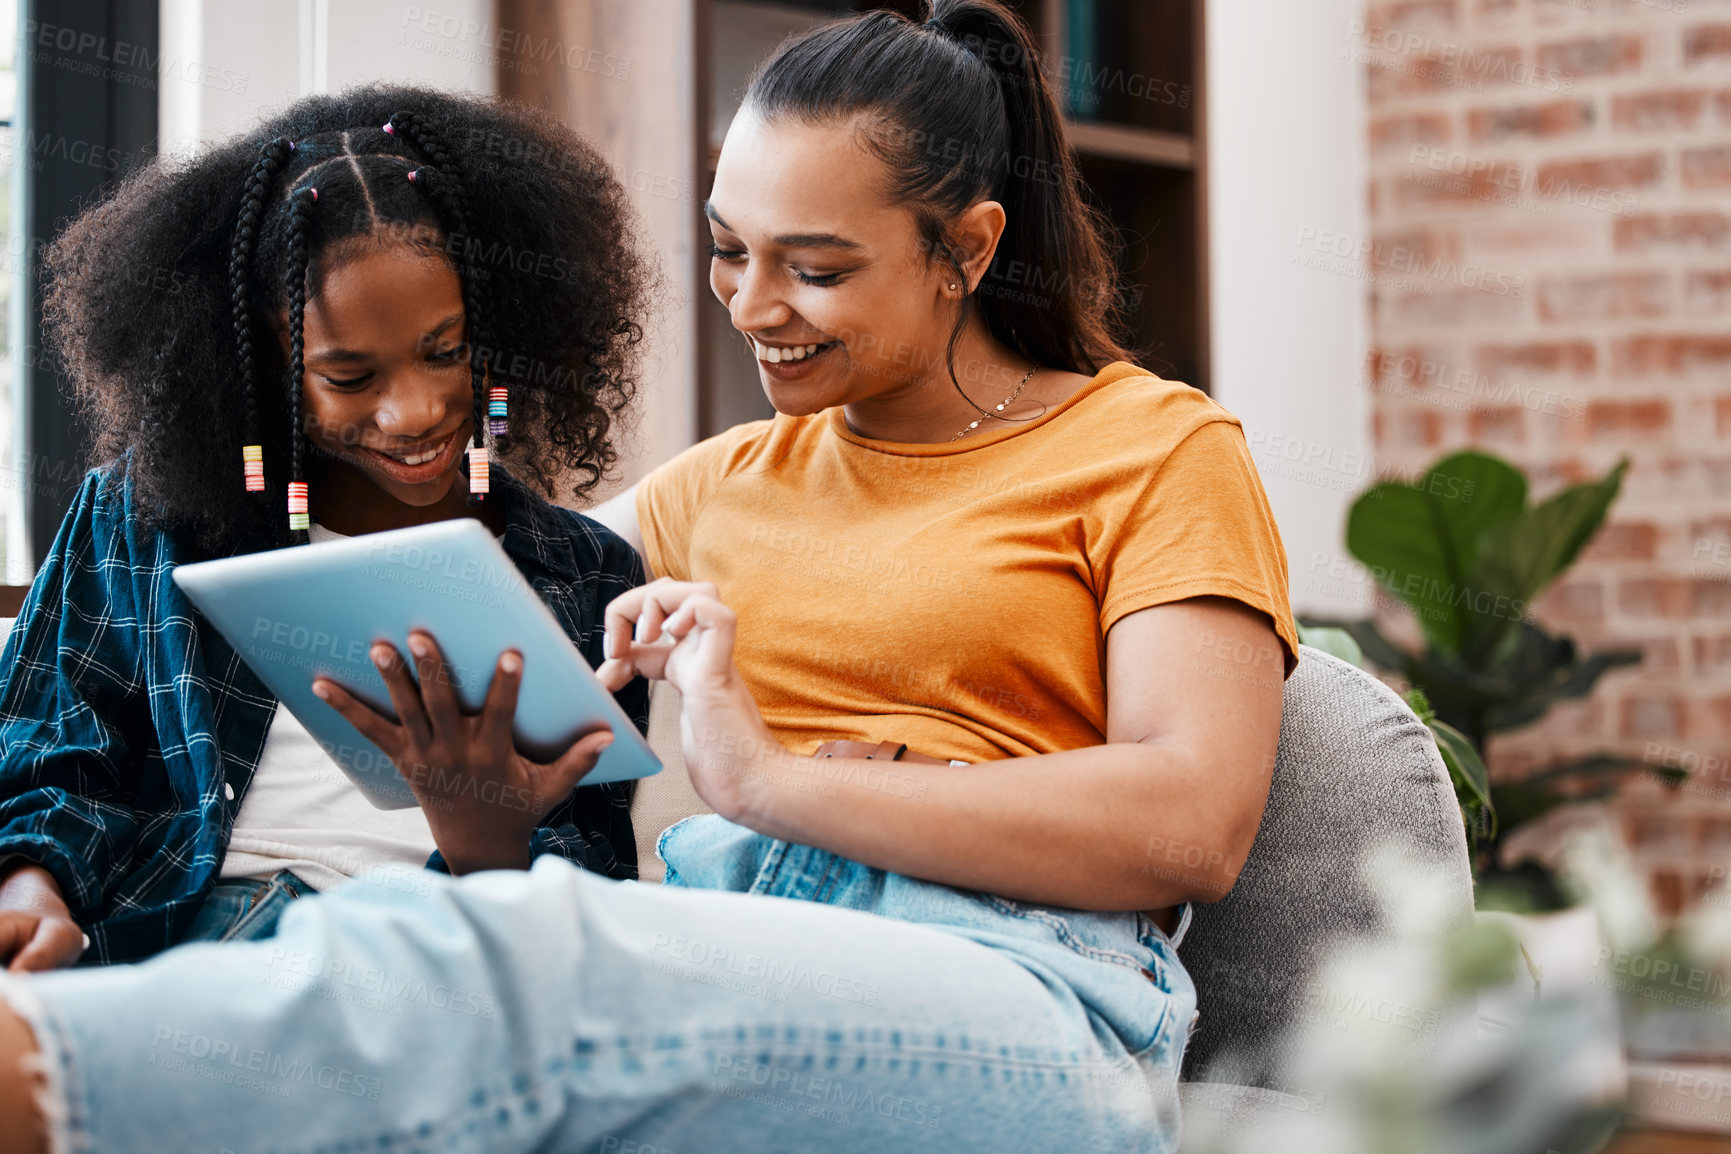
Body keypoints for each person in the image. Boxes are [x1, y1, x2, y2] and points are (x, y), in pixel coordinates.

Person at [0, 4, 1298, 1151]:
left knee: (515, 962)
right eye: (730, 249)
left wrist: (771, 782)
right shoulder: (711, 488)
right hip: (742, 947)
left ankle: (45, 1090)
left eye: (818, 267)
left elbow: (1191, 817)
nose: (751, 303)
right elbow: (463, 583)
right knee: (452, 987)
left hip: (1028, 984)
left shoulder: (1153, 444)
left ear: (964, 248)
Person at [0, 84, 654, 971]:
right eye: (350, 378)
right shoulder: (142, 516)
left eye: (445, 351)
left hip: (420, 959)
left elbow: (588, 896)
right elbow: (41, 750)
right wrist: (29, 889)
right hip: (176, 942)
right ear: (264, 371)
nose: (415, 411)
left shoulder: (584, 574)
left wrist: (478, 835)